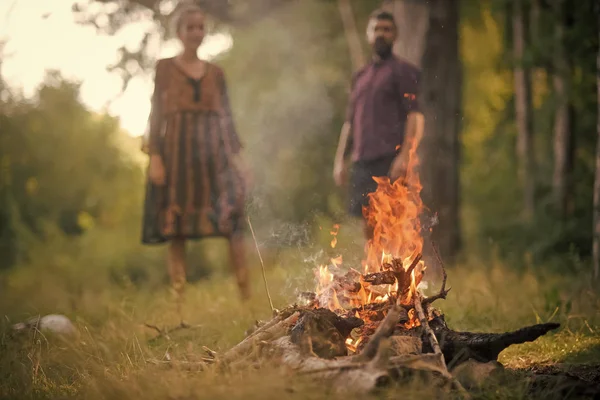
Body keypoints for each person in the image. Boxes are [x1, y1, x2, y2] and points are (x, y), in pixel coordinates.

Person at [141, 4, 252, 310]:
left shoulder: (216, 73)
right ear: (179, 32)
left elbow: (227, 117)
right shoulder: (164, 68)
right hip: (176, 153)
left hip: (213, 155)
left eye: (200, 27)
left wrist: (238, 158)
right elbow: (156, 113)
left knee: (231, 221)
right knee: (176, 228)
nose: (196, 33)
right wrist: (156, 157)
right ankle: (179, 299)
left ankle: (246, 295)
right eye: (190, 27)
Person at [333, 9, 425, 240]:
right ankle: (374, 272)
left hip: (390, 158)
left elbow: (415, 117)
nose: (381, 34)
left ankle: (398, 273)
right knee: (369, 223)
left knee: (393, 221)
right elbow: (350, 123)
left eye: (386, 29)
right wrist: (340, 160)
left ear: (395, 36)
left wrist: (405, 156)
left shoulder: (404, 72)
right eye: (376, 29)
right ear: (368, 34)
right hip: (362, 159)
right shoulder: (360, 77)